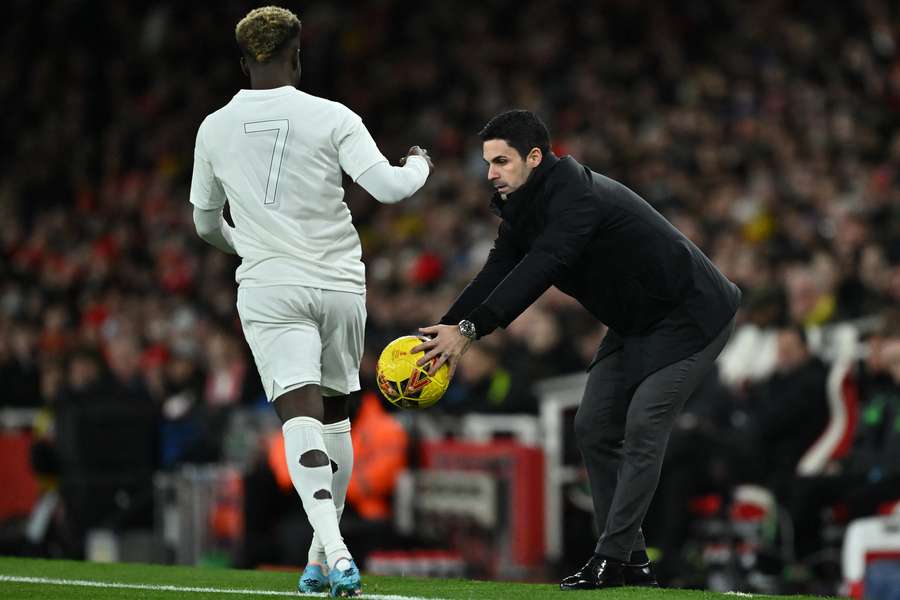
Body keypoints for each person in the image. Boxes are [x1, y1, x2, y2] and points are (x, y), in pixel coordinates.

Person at [413, 110, 740, 590]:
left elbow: (544, 265)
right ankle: (630, 561)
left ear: (535, 157)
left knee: (645, 423)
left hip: (692, 314)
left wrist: (470, 329)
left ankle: (610, 556)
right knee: (591, 427)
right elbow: (498, 269)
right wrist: (443, 330)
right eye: (488, 163)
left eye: (501, 161)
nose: (491, 173)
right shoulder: (522, 206)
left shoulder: (577, 195)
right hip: (635, 322)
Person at [189, 6, 433, 597]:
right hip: (340, 284)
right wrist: (420, 163)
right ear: (297, 56)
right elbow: (390, 187)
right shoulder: (333, 117)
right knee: (336, 416)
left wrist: (243, 241)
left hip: (271, 285)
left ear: (244, 61)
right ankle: (323, 557)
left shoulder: (213, 127)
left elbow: (203, 222)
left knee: (297, 413)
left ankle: (334, 548)